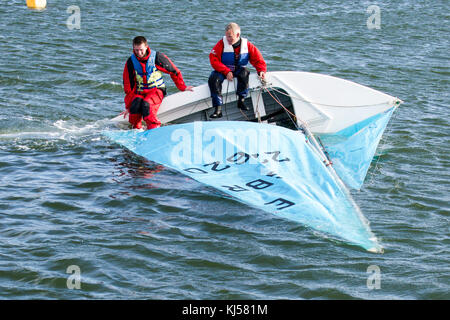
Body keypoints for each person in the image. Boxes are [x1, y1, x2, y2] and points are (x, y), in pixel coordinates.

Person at [123, 36, 194, 129]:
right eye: (136, 50)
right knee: (135, 106)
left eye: (141, 50)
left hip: (156, 90)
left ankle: (154, 128)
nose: (139, 53)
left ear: (146, 47)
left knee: (146, 105)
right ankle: (136, 130)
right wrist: (128, 106)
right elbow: (128, 84)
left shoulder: (157, 57)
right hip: (140, 92)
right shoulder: (131, 62)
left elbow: (174, 72)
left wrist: (183, 87)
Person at [208, 22, 267, 118]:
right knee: (213, 79)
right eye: (227, 36)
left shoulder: (247, 45)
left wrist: (261, 71)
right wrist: (226, 71)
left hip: (238, 69)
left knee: (245, 73)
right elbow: (213, 59)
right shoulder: (221, 44)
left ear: (237, 35)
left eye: (230, 37)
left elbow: (258, 59)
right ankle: (218, 109)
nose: (228, 39)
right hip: (223, 70)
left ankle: (241, 101)